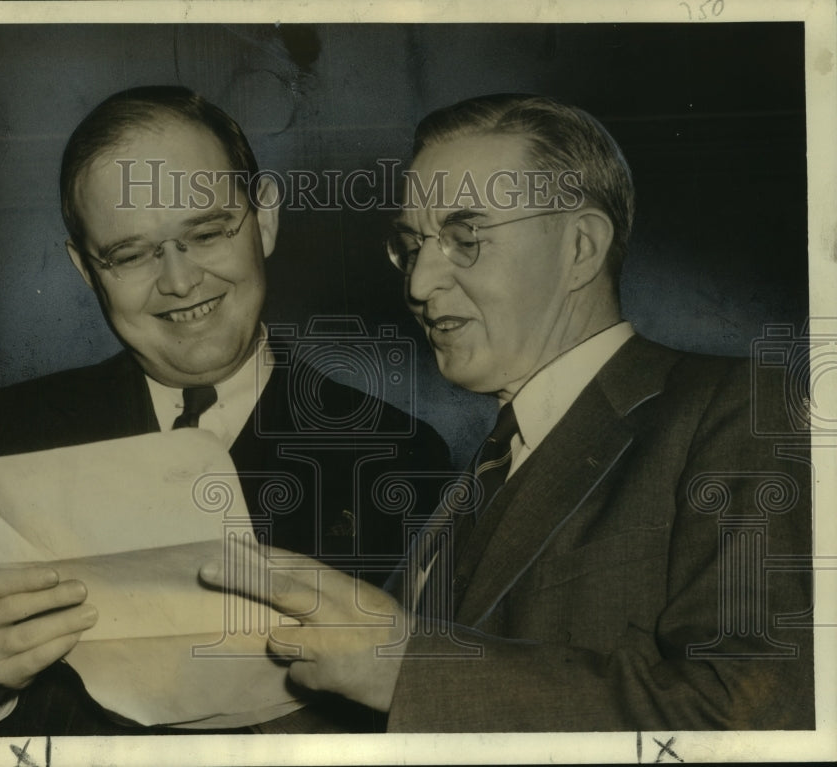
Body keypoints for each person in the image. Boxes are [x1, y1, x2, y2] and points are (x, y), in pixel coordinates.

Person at [200, 93, 815, 731]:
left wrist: (408, 667)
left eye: (466, 239)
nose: (417, 283)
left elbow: (760, 714)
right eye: (410, 245)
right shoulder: (487, 463)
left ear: (580, 247)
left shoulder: (742, 408)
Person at [0, 86, 449, 737]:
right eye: (131, 253)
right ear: (86, 269)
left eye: (204, 233)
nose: (178, 281)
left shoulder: (401, 453)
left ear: (266, 220)